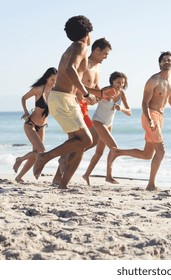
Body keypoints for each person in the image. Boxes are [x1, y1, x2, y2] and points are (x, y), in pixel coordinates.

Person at [33, 15, 109, 189]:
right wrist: (84, 92)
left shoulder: (73, 47)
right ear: (88, 32)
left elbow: (72, 75)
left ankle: (63, 185)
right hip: (63, 99)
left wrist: (93, 94)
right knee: (87, 140)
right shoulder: (81, 46)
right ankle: (44, 157)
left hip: (64, 99)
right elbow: (70, 70)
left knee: (79, 144)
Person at [108, 51, 171, 191]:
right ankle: (151, 184)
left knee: (147, 154)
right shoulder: (153, 80)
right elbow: (144, 102)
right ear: (160, 63)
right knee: (161, 151)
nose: (167, 62)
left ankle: (117, 152)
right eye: (164, 60)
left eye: (169, 60)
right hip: (150, 115)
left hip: (160, 117)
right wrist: (149, 119)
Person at [51, 37, 112, 186]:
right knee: (87, 140)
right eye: (105, 54)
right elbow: (75, 84)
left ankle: (59, 174)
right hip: (75, 104)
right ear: (96, 50)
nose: (105, 57)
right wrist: (87, 95)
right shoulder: (85, 64)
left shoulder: (97, 68)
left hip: (84, 106)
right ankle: (62, 162)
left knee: (85, 142)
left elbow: (96, 87)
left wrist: (102, 95)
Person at [82, 71, 132, 186]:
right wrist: (94, 99)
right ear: (112, 81)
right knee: (114, 148)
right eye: (118, 82)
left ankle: (86, 175)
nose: (121, 84)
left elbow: (129, 112)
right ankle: (109, 176)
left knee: (99, 152)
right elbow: (95, 99)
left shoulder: (122, 94)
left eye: (123, 83)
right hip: (98, 121)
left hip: (108, 124)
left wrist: (121, 109)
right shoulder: (107, 90)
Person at [13, 67, 58, 182]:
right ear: (47, 78)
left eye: (56, 80)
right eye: (52, 80)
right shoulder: (38, 89)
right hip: (31, 124)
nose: (54, 82)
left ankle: (19, 177)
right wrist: (26, 112)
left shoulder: (54, 91)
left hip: (42, 126)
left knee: (36, 154)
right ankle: (20, 159)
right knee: (41, 151)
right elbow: (23, 98)